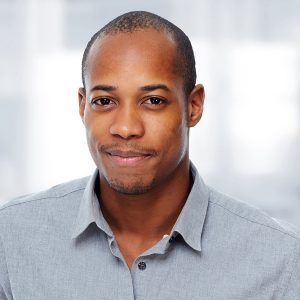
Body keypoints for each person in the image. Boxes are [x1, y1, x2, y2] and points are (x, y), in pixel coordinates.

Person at [0, 11, 299, 300]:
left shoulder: (281, 261)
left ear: (193, 106)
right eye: (104, 101)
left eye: (153, 101)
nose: (126, 128)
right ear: (83, 106)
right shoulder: (12, 239)